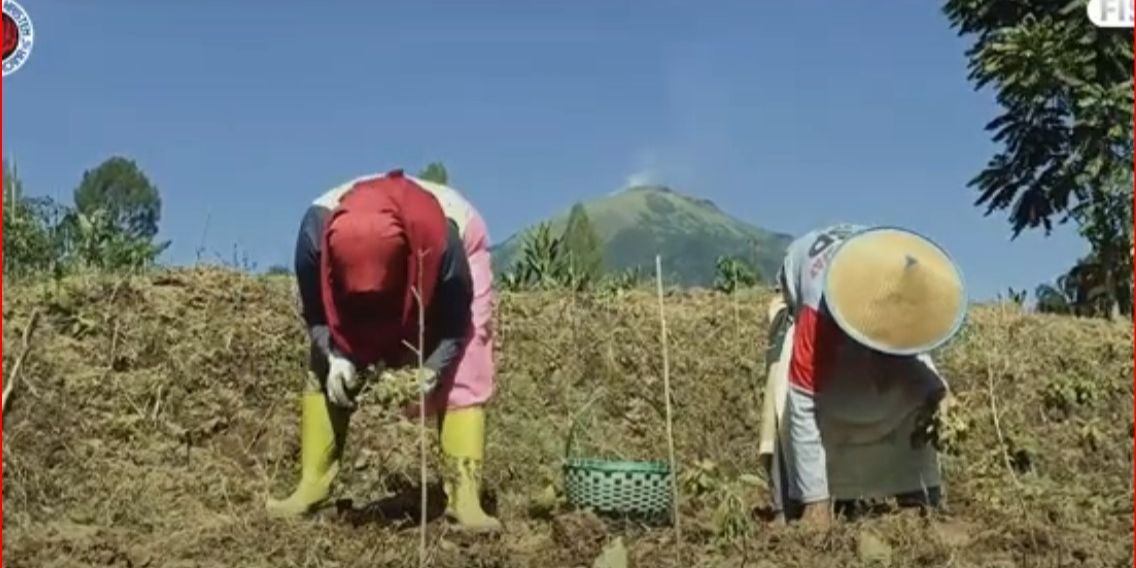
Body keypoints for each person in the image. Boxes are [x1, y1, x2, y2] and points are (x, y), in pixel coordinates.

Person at [266, 169, 501, 532]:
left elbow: (457, 327)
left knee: (468, 357)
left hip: (443, 251)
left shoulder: (447, 242)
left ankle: (465, 497)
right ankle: (311, 487)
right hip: (368, 267)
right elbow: (317, 315)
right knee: (323, 364)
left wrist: (433, 368)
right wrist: (334, 355)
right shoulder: (314, 236)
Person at [758, 224, 966, 527]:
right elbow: (802, 402)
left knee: (908, 387)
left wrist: (939, 393)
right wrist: (816, 502)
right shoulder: (818, 314)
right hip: (806, 282)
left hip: (870, 269)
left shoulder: (896, 281)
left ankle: (916, 492)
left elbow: (915, 359)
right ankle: (792, 501)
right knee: (785, 394)